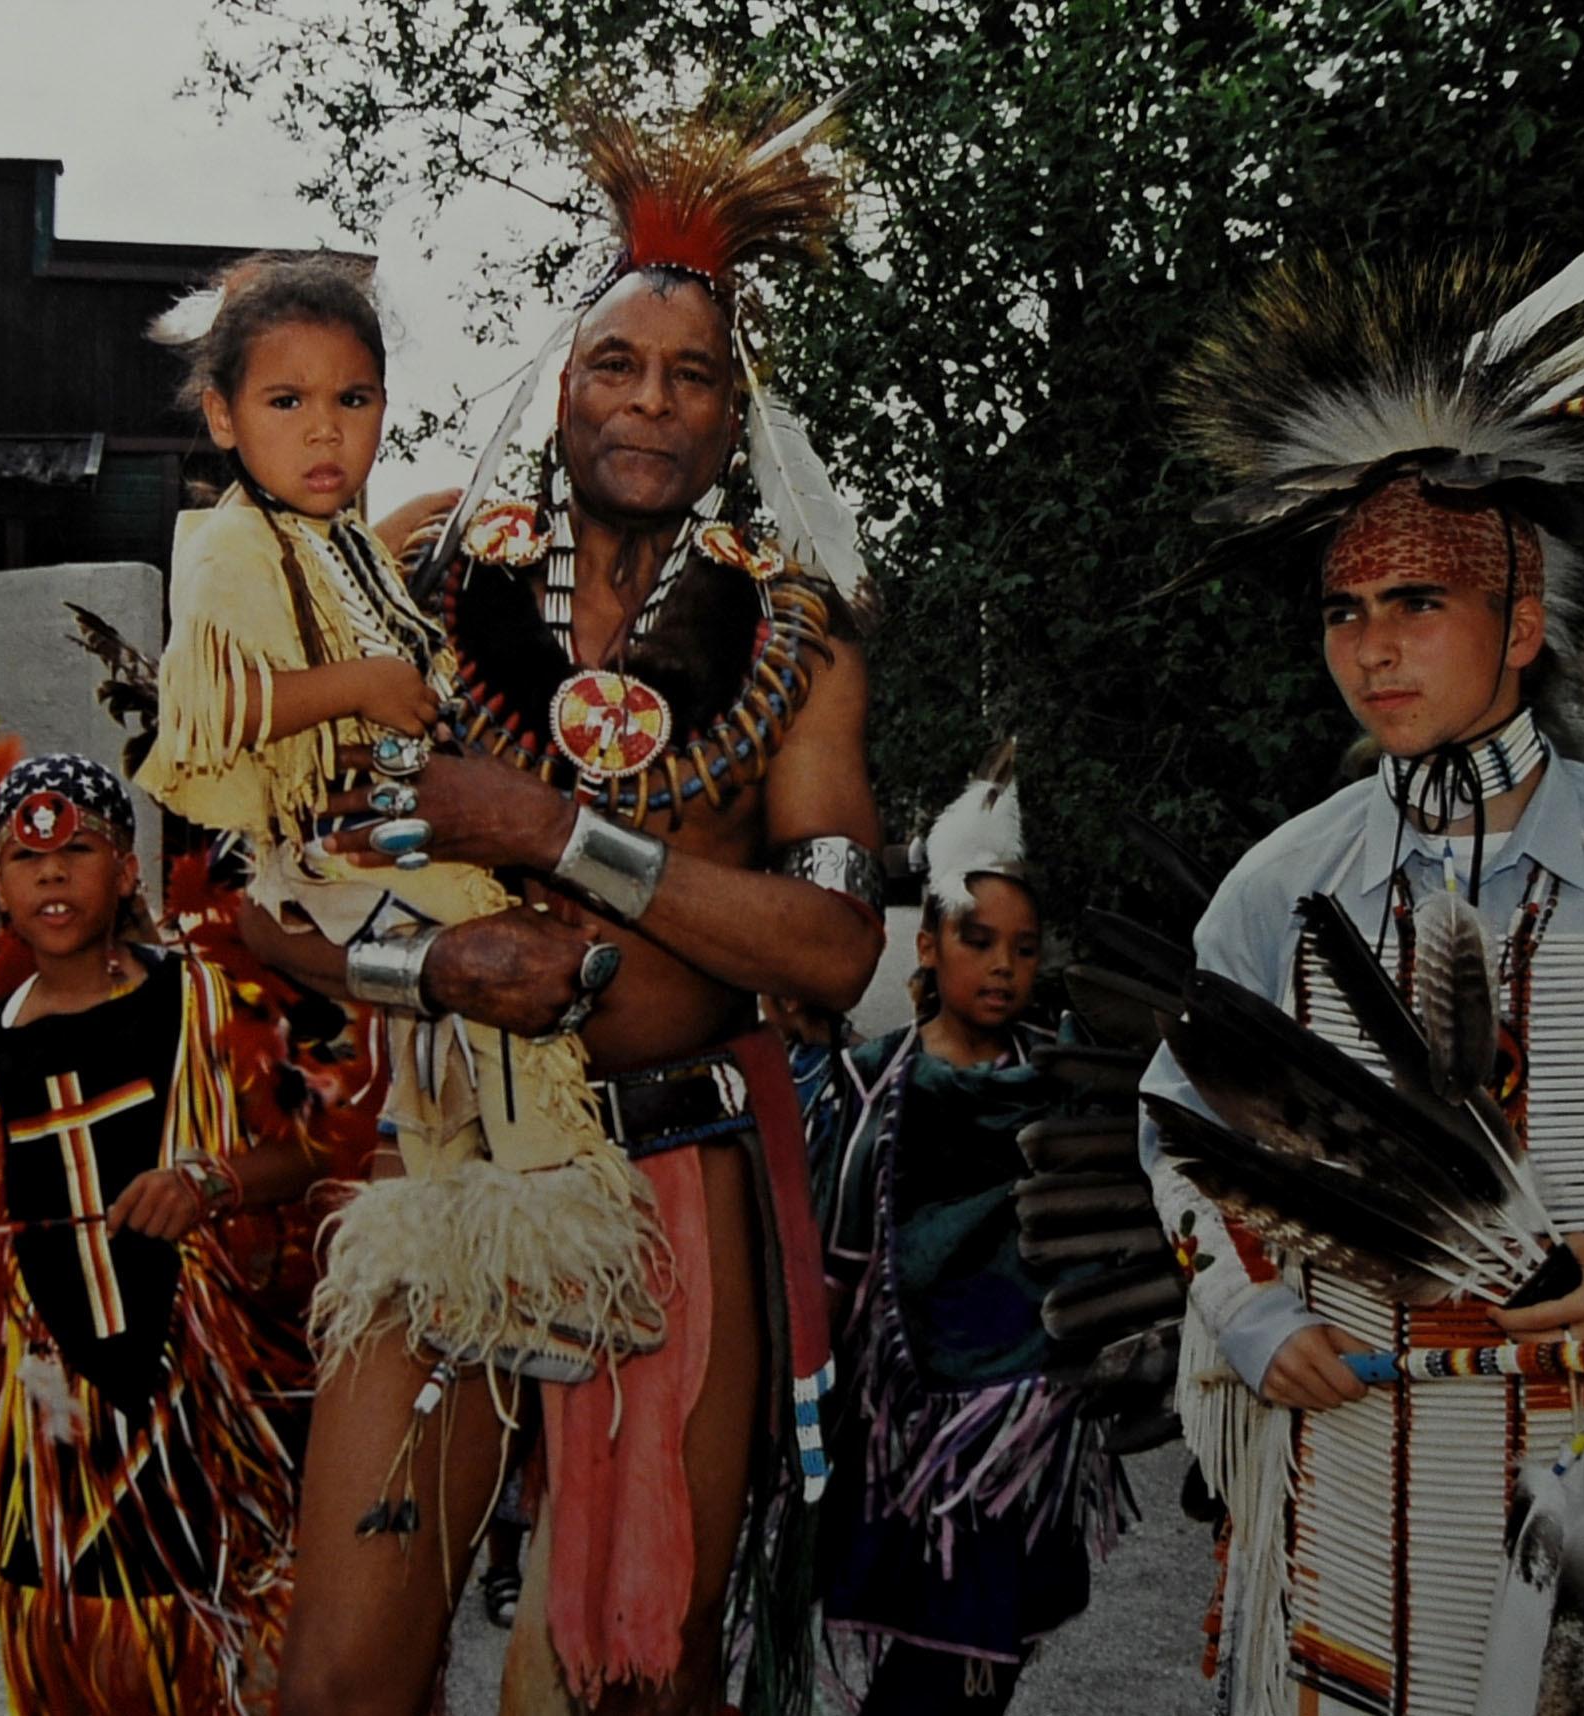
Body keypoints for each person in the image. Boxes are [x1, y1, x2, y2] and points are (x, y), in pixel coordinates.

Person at [247, 104, 887, 1716]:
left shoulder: (796, 644)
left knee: (637, 1675)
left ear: (735, 413)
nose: (650, 401)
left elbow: (831, 950)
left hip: (679, 1172)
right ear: (562, 378)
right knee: (344, 1676)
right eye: (619, 364)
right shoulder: (415, 572)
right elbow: (251, 890)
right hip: (450, 1168)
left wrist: (552, 828)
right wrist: (442, 956)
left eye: (691, 376)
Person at [1140, 172, 1584, 1713]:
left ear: (1522, 626)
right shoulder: (1284, 885)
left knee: (1563, 1698)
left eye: (1419, 602)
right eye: (1343, 610)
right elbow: (1183, 1130)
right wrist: (1251, 1314)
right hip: (1353, 1440)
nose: (1373, 646)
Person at [134, 250, 652, 1389]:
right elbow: (210, 709)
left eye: (353, 403)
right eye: (287, 404)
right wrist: (365, 687)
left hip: (372, 835)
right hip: (320, 850)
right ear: (222, 418)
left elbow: (365, 608)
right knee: (507, 973)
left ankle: (458, 1268)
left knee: (437, 1050)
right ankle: (546, 1248)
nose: (325, 434)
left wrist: (409, 532)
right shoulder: (226, 547)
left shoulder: (332, 542)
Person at [0, 749, 330, 1716]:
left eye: (82, 849)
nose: (52, 873)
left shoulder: (200, 1003)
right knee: (69, 1622)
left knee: (204, 1617)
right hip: (51, 1387)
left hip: (190, 1377)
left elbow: (318, 1145)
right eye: (25, 856)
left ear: (129, 872)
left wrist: (212, 1179)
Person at [815, 768, 1129, 1713]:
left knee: (978, 1664)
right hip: (910, 1420)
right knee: (933, 1664)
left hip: (1025, 1420)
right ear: (930, 943)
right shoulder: (873, 1086)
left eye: (1026, 950)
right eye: (979, 941)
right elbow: (833, 1252)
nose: (1004, 967)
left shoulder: (1068, 1081)